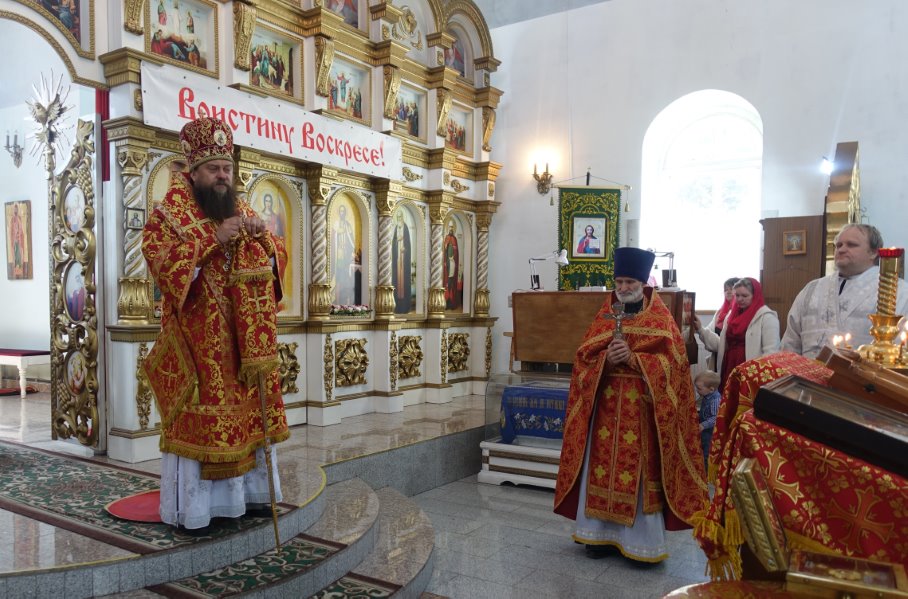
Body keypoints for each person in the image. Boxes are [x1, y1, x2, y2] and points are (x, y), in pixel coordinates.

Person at [142, 117, 289, 530]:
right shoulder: (168, 214)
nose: (223, 175)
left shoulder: (241, 209)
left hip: (244, 346)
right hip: (198, 347)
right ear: (194, 172)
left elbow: (277, 256)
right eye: (213, 169)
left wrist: (265, 239)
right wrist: (212, 239)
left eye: (227, 167)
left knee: (247, 422)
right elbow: (160, 262)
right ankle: (198, 510)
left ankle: (249, 499)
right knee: (204, 426)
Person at [554, 247, 707, 563]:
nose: (623, 288)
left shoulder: (660, 319)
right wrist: (605, 360)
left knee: (636, 476)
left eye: (629, 282)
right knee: (600, 469)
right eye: (619, 282)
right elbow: (583, 360)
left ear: (642, 283)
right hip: (606, 409)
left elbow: (675, 367)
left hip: (642, 411)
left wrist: (637, 360)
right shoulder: (606, 314)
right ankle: (596, 536)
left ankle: (639, 544)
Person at [782, 223, 908, 358]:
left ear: (873, 252)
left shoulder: (898, 291)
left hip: (864, 371)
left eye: (851, 245)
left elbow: (900, 350)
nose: (841, 250)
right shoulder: (812, 289)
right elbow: (790, 342)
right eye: (838, 245)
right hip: (806, 371)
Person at [693, 277, 780, 385]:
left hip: (751, 372)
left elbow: (771, 353)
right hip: (729, 366)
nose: (740, 299)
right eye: (737, 295)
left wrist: (759, 379)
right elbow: (722, 345)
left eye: (745, 295)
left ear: (755, 295)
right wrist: (701, 329)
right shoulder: (731, 315)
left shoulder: (767, 317)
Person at [701, 277, 739, 369]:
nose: (728, 292)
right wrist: (698, 328)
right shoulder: (720, 312)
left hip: (731, 358)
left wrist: (700, 329)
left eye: (731, 289)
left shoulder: (739, 313)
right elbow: (708, 330)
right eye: (725, 290)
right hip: (717, 356)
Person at [693, 370, 721, 474]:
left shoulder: (715, 400)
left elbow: (715, 418)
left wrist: (703, 425)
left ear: (711, 389)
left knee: (707, 453)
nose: (697, 391)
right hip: (705, 431)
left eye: (699, 388)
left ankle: (706, 474)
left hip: (710, 433)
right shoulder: (706, 395)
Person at [333, 204, 357, 305]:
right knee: (339, 276)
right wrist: (337, 232)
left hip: (346, 254)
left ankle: (345, 300)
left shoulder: (348, 225)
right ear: (339, 213)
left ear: (345, 213)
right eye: (340, 211)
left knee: (346, 276)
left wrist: (352, 251)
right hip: (338, 254)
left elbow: (351, 240)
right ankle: (338, 300)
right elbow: (333, 238)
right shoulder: (336, 224)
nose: (342, 213)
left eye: (343, 211)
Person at [391, 211, 412, 313]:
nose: (399, 218)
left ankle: (404, 305)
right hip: (397, 260)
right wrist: (396, 242)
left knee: (404, 282)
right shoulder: (396, 228)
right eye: (398, 217)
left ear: (403, 217)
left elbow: (408, 243)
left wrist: (405, 249)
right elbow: (393, 242)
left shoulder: (406, 228)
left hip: (404, 260)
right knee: (397, 281)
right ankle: (397, 305)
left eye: (400, 217)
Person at [443, 222, 460, 310]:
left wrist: (453, 256)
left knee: (451, 282)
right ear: (447, 228)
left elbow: (456, 252)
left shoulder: (455, 239)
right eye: (449, 227)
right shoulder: (446, 238)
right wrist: (446, 246)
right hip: (448, 264)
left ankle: (452, 302)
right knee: (447, 282)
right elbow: (444, 251)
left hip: (453, 263)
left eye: (452, 227)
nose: (451, 228)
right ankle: (446, 302)